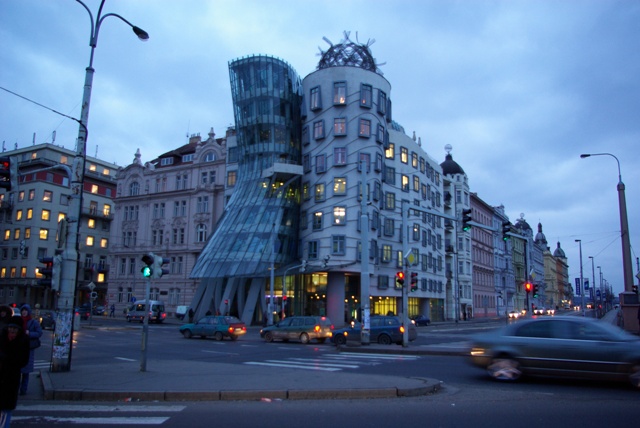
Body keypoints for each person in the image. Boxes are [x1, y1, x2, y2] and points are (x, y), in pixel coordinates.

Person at [0, 315, 30, 428]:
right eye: (10, 327)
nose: (12, 330)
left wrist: (11, 360)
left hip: (12, 376)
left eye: (15, 328)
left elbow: (24, 360)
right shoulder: (2, 337)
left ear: (19, 330)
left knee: (7, 407)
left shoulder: (23, 340)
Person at [18, 304, 42, 396]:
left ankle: (23, 389)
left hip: (28, 348)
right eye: (22, 310)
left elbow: (39, 333)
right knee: (17, 371)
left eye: (25, 310)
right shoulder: (19, 321)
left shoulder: (33, 322)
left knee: (26, 371)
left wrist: (30, 333)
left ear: (28, 312)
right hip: (19, 348)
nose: (24, 312)